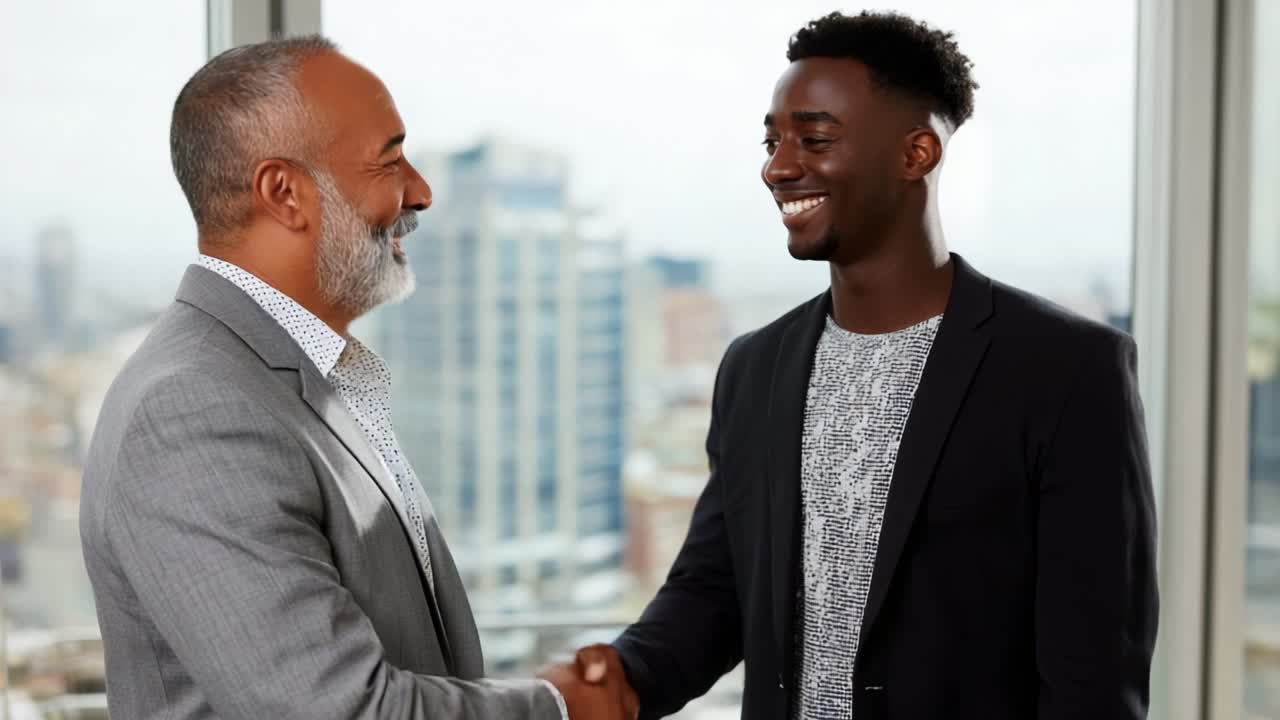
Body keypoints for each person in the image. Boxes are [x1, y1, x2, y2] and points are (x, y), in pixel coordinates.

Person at [561, 10, 1158, 719]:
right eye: (772, 140)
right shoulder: (754, 368)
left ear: (917, 155)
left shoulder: (1066, 370)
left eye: (813, 138)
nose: (778, 166)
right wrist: (622, 673)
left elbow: (1091, 679)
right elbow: (715, 591)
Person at [78, 36, 633, 720]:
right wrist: (560, 708)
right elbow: (339, 709)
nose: (421, 193)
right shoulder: (194, 409)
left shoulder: (297, 376)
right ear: (285, 193)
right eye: (390, 160)